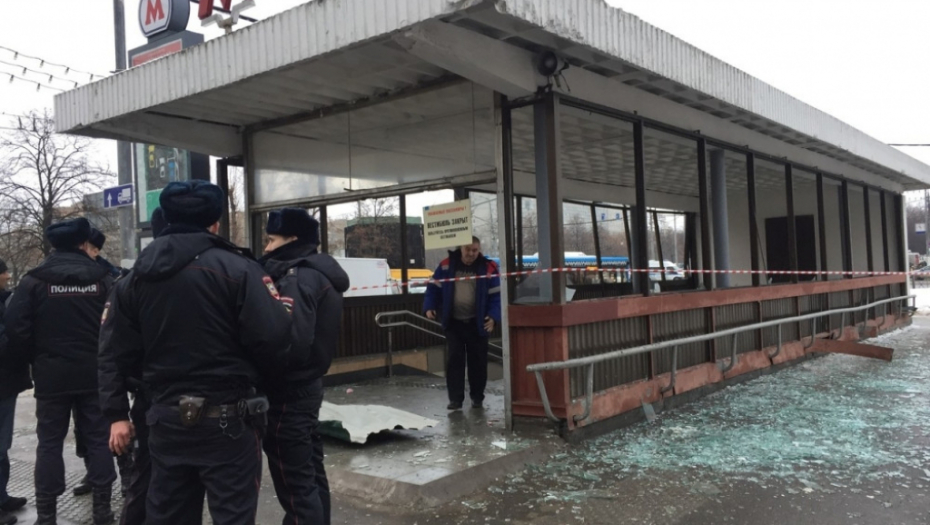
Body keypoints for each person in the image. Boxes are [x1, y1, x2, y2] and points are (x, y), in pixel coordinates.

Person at [98, 181, 292, 525]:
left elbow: (117, 353)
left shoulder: (133, 280)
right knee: (233, 515)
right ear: (215, 224)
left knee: (169, 515)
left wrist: (134, 398)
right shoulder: (238, 270)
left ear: (167, 218)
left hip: (165, 419)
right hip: (229, 419)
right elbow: (274, 339)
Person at [4, 218, 117, 525]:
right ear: (83, 243)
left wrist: (37, 358)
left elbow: (15, 329)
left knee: (49, 443)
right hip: (95, 374)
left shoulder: (34, 281)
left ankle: (47, 515)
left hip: (51, 377)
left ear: (53, 245)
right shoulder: (103, 279)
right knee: (99, 438)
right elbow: (118, 325)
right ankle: (102, 510)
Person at [260, 208, 349, 525]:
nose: (267, 248)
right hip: (307, 387)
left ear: (293, 239)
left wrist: (262, 370)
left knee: (295, 485)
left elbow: (292, 342)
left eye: (272, 240)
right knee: (310, 474)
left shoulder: (297, 278)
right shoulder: (319, 272)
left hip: (287, 392)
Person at [103, 206, 167, 525]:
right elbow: (111, 353)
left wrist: (116, 414)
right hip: (156, 403)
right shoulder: (131, 283)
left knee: (151, 487)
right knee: (147, 485)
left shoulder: (131, 282)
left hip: (155, 402)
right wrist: (116, 414)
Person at [424, 236, 502, 410]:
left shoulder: (489, 267)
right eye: (468, 249)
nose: (471, 253)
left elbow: (497, 296)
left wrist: (493, 317)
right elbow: (433, 288)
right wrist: (429, 306)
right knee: (454, 362)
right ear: (461, 248)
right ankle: (455, 400)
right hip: (454, 323)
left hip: (478, 324)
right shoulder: (446, 265)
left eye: (475, 250)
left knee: (478, 363)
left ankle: (477, 398)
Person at [0, 259, 29, 525]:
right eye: (4, 272)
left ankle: (2, 496)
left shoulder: (5, 300)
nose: (8, 276)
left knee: (3, 444)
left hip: (6, 383)